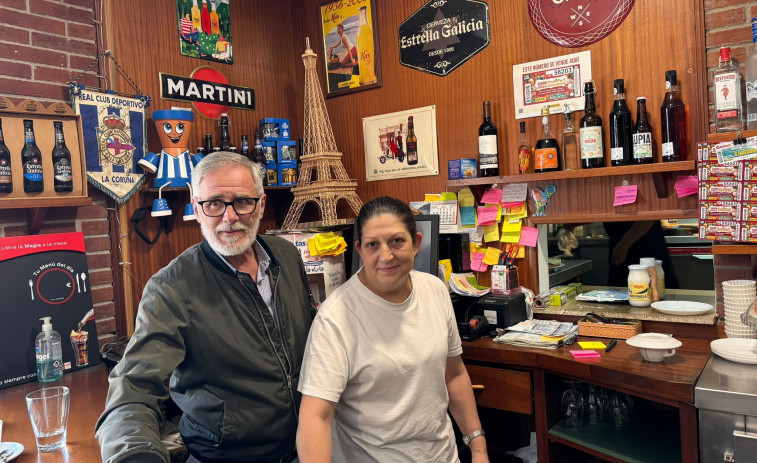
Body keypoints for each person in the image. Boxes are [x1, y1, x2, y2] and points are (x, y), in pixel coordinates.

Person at [96, 152, 314, 463]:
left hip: (309, 445)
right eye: (214, 204)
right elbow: (133, 388)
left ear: (261, 205)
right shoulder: (171, 288)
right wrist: (134, 453)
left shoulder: (287, 256)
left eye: (242, 201)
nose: (230, 217)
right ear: (197, 209)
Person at [296, 196, 490, 463]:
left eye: (397, 241)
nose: (385, 256)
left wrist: (478, 448)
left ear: (416, 244)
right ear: (360, 250)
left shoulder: (434, 289)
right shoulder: (334, 319)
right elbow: (315, 416)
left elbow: (454, 375)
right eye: (372, 245)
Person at [603, 220, 679, 288]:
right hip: (621, 246)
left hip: (645, 244)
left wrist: (624, 244)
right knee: (620, 293)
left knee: (657, 290)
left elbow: (650, 216)